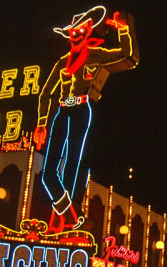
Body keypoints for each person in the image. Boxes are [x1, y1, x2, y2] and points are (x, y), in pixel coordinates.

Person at [33, 6, 139, 233]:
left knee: (74, 165)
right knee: (48, 172)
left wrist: (125, 31)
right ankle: (71, 215)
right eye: (72, 31)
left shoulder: (98, 56)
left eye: (79, 29)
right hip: (62, 112)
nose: (75, 34)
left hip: (83, 108)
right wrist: (42, 122)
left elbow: (129, 58)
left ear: (88, 29)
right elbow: (45, 93)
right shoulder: (62, 62)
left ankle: (59, 222)